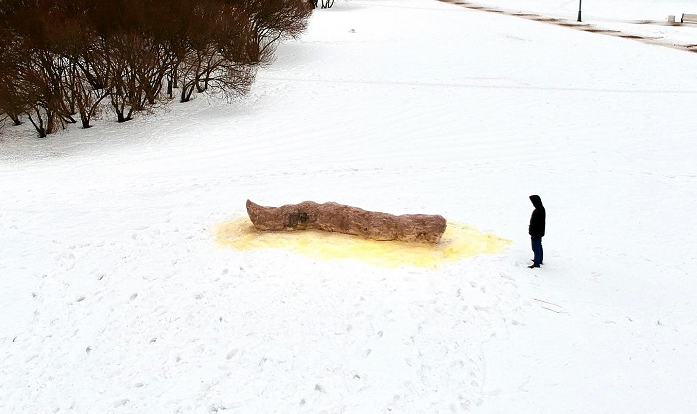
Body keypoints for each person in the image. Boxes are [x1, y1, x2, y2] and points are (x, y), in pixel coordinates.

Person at [528, 195, 545, 268]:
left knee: (536, 248)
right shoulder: (541, 209)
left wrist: (533, 234)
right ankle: (539, 260)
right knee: (539, 246)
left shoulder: (538, 211)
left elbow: (536, 224)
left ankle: (536, 263)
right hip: (539, 232)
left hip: (536, 233)